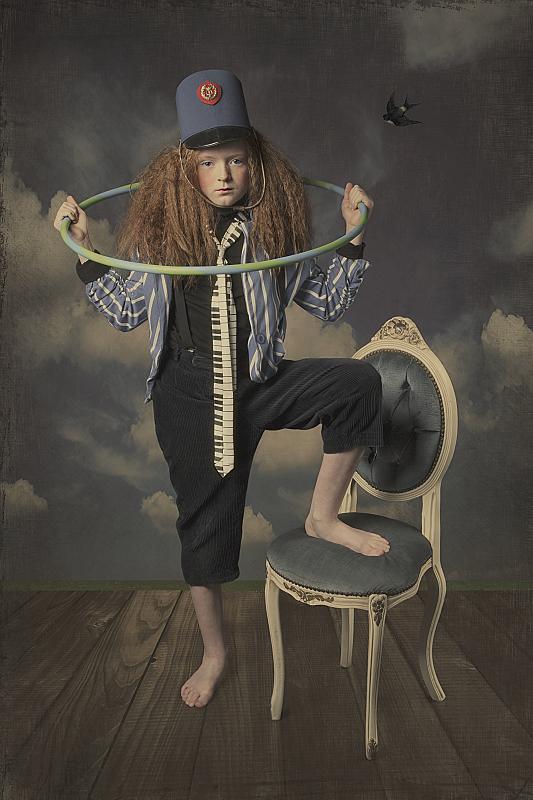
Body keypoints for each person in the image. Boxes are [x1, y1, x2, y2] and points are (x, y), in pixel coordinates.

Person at [53, 68, 389, 710]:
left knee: (358, 384)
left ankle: (322, 516)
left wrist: (354, 233)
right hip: (188, 396)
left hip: (259, 379)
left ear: (255, 162)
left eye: (235, 159)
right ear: (187, 169)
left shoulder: (273, 233)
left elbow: (326, 302)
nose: (225, 174)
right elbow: (125, 312)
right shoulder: (162, 239)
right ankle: (215, 654)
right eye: (209, 163)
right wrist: (86, 251)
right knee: (204, 529)